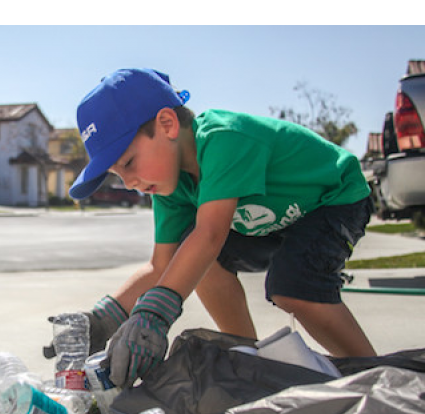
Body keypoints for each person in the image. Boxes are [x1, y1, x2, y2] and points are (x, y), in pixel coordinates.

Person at [56, 67, 376, 389]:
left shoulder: (224, 138)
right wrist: (104, 318)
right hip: (271, 223)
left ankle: (376, 376)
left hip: (332, 200)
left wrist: (155, 315)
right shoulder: (169, 186)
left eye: (128, 163)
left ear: (167, 125)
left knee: (295, 287)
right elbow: (162, 265)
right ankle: (248, 358)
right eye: (117, 174)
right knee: (190, 254)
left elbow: (210, 235)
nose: (129, 183)